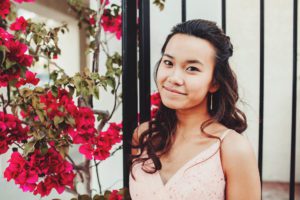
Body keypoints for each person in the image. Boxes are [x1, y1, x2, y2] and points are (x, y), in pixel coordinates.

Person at [129, 19, 261, 200]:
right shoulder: (144, 135)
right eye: (168, 63)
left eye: (192, 68)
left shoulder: (232, 149)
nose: (174, 77)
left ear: (214, 82)